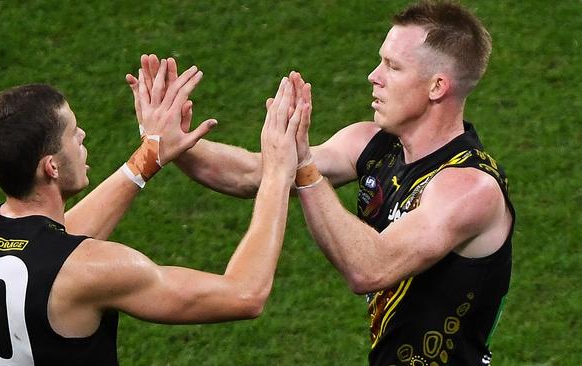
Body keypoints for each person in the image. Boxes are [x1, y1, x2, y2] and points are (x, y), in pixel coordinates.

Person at [159, 1, 515, 365]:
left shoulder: (469, 189)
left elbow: (372, 267)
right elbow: (255, 173)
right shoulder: (371, 143)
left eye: (393, 66)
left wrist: (305, 165)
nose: (374, 76)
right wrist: (172, 144)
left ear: (437, 86)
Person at [0, 55, 305, 365]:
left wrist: (150, 155)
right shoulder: (93, 272)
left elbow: (54, 247)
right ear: (51, 167)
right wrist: (276, 170)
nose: (82, 135)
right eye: (73, 132)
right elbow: (244, 294)